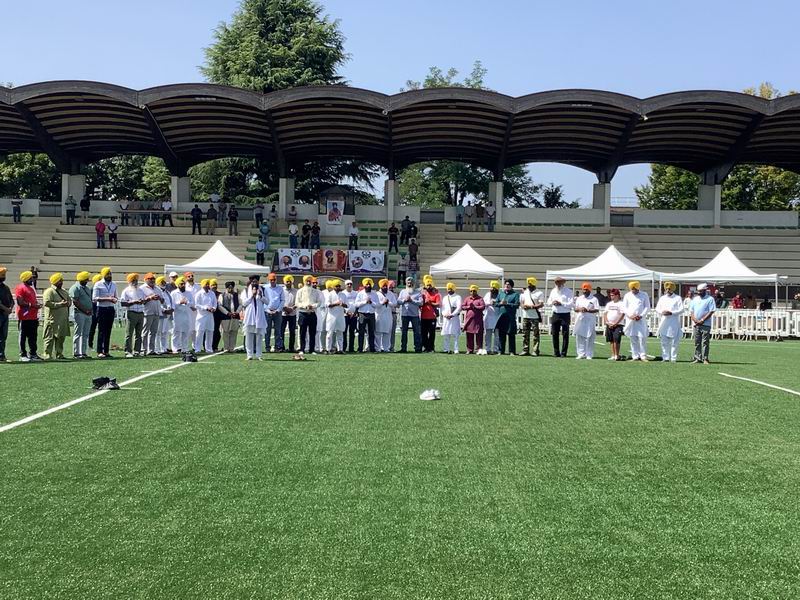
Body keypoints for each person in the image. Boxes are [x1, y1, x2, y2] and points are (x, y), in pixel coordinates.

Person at [41, 273, 71, 360]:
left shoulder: (64, 292)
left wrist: (68, 303)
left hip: (62, 320)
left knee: (61, 337)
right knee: (49, 338)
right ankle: (47, 354)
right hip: (52, 319)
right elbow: (46, 303)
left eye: (62, 281)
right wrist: (59, 304)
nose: (62, 282)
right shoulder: (49, 291)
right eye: (60, 281)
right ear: (55, 281)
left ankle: (59, 354)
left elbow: (69, 301)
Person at [15, 270, 42, 362]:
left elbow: (33, 300)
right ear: (26, 279)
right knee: (23, 336)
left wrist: (37, 304)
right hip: (24, 316)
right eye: (31, 278)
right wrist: (32, 305)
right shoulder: (20, 288)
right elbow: (20, 302)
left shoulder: (31, 288)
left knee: (33, 337)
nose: (33, 280)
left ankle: (33, 354)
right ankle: (22, 354)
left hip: (33, 316)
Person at [92, 267, 118, 358]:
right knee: (101, 331)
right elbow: (94, 298)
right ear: (103, 275)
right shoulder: (98, 284)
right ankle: (100, 351)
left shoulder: (114, 284)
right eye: (107, 274)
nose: (109, 275)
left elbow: (116, 296)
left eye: (110, 274)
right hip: (101, 309)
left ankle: (106, 351)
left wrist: (114, 299)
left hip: (110, 308)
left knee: (108, 331)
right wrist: (108, 299)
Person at [655, 281, 684, 363]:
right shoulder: (662, 298)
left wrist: (672, 313)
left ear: (673, 289)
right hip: (664, 321)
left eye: (669, 289)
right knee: (664, 341)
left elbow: (681, 309)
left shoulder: (677, 298)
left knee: (674, 341)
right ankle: (665, 357)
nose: (668, 290)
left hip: (673, 321)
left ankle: (673, 358)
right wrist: (662, 312)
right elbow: (657, 308)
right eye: (666, 289)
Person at [622, 281, 651, 362]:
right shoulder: (627, 295)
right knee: (633, 337)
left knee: (642, 337)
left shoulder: (644, 294)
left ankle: (643, 356)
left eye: (634, 289)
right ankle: (635, 356)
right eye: (632, 289)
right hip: (631, 319)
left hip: (641, 320)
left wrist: (641, 315)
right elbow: (624, 308)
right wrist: (630, 315)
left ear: (638, 288)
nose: (633, 290)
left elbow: (647, 307)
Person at [240, 275, 266, 360]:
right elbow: (244, 303)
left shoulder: (263, 290)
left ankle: (259, 355)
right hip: (250, 316)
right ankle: (249, 355)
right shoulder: (245, 290)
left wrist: (261, 296)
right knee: (249, 336)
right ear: (250, 282)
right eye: (253, 282)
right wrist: (252, 296)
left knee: (259, 336)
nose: (254, 283)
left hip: (259, 315)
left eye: (256, 281)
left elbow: (267, 301)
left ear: (258, 282)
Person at [120, 272, 146, 358]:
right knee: (129, 333)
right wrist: (134, 302)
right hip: (132, 312)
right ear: (130, 281)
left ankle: (137, 350)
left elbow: (144, 300)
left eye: (136, 280)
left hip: (140, 312)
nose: (135, 282)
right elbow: (123, 303)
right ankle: (128, 351)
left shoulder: (140, 290)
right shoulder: (126, 291)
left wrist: (142, 301)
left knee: (139, 334)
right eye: (133, 280)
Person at [689, 283, 715, 364]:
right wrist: (695, 320)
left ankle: (705, 358)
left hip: (705, 324)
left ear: (705, 290)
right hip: (696, 324)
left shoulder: (710, 299)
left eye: (700, 291)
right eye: (698, 291)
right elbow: (691, 311)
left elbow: (711, 311)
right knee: (697, 342)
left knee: (705, 342)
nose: (699, 293)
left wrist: (702, 320)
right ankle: (697, 358)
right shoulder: (695, 299)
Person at [547, 276, 574, 358]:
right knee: (554, 333)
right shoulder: (553, 291)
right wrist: (553, 302)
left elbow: (571, 304)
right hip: (555, 313)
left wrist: (561, 303)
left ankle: (563, 353)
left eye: (559, 282)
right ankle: (556, 352)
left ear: (563, 282)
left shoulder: (568, 291)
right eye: (556, 282)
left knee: (565, 334)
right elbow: (548, 302)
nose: (557, 284)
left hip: (565, 314)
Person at [69, 271, 93, 359]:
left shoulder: (86, 288)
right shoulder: (75, 288)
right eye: (86, 279)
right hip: (79, 313)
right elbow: (75, 301)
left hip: (88, 313)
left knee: (86, 334)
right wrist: (85, 310)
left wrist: (90, 310)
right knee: (78, 333)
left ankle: (83, 352)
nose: (87, 281)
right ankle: (76, 352)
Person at [295, 274, 322, 354]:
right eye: (307, 281)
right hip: (303, 313)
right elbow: (297, 303)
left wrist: (312, 306)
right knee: (302, 333)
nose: (308, 282)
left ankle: (312, 349)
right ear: (304, 282)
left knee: (312, 333)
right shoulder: (300, 291)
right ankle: (302, 349)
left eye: (310, 281)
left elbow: (319, 302)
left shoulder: (315, 291)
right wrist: (305, 306)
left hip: (312, 313)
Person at [573, 282, 600, 360]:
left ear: (590, 290)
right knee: (579, 336)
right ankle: (581, 354)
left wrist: (587, 310)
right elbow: (575, 309)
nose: (584, 291)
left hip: (590, 320)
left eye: (586, 290)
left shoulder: (594, 299)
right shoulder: (579, 298)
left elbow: (596, 309)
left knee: (590, 337)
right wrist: (580, 309)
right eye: (583, 289)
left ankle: (589, 354)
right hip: (580, 319)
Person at [140, 273, 165, 356]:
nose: (152, 280)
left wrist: (159, 298)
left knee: (153, 332)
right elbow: (141, 301)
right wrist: (150, 298)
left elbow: (163, 300)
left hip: (156, 312)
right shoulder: (142, 289)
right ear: (145, 279)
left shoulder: (157, 288)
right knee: (145, 332)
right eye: (150, 279)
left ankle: (151, 350)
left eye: (153, 279)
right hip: (147, 312)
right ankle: (143, 350)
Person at [170, 277, 196, 353]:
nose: (183, 285)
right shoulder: (174, 293)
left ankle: (185, 348)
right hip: (177, 315)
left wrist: (187, 302)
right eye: (181, 284)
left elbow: (192, 303)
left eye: (184, 284)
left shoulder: (188, 293)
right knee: (176, 332)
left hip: (187, 314)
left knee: (186, 332)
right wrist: (179, 302)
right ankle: (175, 348)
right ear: (177, 285)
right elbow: (172, 305)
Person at [520, 277, 544, 356]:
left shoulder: (539, 293)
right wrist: (523, 306)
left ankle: (535, 350)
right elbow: (522, 302)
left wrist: (531, 307)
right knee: (525, 334)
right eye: (528, 284)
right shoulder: (525, 292)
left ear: (534, 284)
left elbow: (541, 304)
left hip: (535, 316)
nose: (529, 285)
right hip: (525, 315)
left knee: (535, 334)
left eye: (531, 284)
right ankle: (525, 350)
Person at [397, 277, 422, 353]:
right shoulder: (402, 292)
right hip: (405, 315)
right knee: (404, 332)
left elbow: (421, 303)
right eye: (408, 282)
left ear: (413, 283)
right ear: (406, 283)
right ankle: (403, 348)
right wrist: (404, 300)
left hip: (414, 315)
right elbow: (398, 301)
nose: (409, 284)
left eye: (411, 282)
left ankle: (417, 348)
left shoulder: (418, 292)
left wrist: (412, 300)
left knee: (416, 332)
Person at [496, 279, 520, 355]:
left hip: (510, 317)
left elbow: (517, 305)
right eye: (506, 284)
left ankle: (512, 351)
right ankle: (501, 351)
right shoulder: (501, 294)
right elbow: (496, 303)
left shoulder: (515, 294)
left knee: (511, 334)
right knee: (501, 334)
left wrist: (507, 304)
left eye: (508, 284)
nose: (507, 285)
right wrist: (500, 303)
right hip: (501, 317)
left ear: (511, 286)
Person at [355, 278, 379, 352]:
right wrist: (365, 302)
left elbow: (377, 304)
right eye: (367, 284)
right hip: (362, 314)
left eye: (369, 284)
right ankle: (360, 348)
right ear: (364, 285)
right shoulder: (360, 293)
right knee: (361, 332)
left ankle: (372, 348)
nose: (368, 286)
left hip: (371, 314)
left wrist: (371, 302)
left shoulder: (374, 294)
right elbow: (356, 304)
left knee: (371, 332)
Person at [194, 279, 218, 353]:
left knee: (210, 331)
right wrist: (206, 308)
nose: (207, 286)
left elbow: (215, 303)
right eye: (206, 284)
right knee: (200, 332)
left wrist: (213, 308)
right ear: (202, 285)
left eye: (208, 284)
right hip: (201, 316)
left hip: (210, 315)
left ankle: (209, 348)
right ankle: (197, 348)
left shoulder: (212, 293)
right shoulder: (199, 294)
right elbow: (196, 305)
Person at [263, 272, 285, 352]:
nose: (272, 281)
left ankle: (277, 347)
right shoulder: (265, 288)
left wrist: (278, 310)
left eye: (274, 280)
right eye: (271, 280)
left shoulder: (280, 288)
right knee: (267, 330)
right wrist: (268, 310)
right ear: (269, 280)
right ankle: (267, 347)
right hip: (267, 312)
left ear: (276, 280)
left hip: (277, 312)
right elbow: (263, 300)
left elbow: (282, 300)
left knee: (278, 330)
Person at [325, 279, 348, 353]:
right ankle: (328, 349)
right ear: (333, 287)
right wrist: (336, 304)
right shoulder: (330, 294)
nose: (338, 287)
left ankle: (340, 349)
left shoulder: (343, 295)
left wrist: (343, 304)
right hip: (331, 316)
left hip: (340, 316)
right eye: (336, 286)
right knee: (329, 333)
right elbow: (327, 305)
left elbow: (347, 305)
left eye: (339, 286)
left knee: (340, 332)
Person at [461, 285, 485, 354]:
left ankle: (479, 349)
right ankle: (470, 350)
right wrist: (469, 307)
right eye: (471, 291)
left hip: (478, 320)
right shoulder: (467, 299)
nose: (472, 292)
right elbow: (462, 306)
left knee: (479, 335)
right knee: (469, 335)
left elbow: (483, 306)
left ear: (476, 291)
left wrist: (475, 307)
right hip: (469, 320)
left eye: (474, 291)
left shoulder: (480, 299)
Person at [216, 281, 239, 353]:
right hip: (225, 316)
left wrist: (237, 312)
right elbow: (220, 306)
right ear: (226, 288)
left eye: (232, 288)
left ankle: (232, 348)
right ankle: (226, 348)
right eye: (229, 288)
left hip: (235, 316)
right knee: (225, 332)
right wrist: (227, 313)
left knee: (234, 332)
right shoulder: (222, 295)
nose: (231, 289)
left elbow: (241, 304)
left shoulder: (237, 295)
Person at [375, 279, 397, 352]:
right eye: (383, 286)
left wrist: (388, 302)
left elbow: (395, 303)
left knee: (387, 332)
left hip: (388, 315)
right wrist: (383, 302)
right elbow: (375, 305)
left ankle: (386, 348)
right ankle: (378, 348)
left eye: (386, 286)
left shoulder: (391, 294)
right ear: (380, 286)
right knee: (378, 332)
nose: (385, 287)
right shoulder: (377, 294)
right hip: (379, 315)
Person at [440, 282, 462, 354]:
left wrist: (452, 315)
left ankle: (456, 349)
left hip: (454, 318)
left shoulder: (458, 297)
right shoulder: (445, 298)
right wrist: (445, 315)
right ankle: (446, 349)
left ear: (454, 289)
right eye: (448, 289)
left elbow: (459, 308)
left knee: (455, 334)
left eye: (450, 289)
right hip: (446, 318)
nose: (449, 290)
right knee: (446, 334)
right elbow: (442, 308)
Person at [420, 275, 441, 353]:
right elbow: (419, 303)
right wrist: (423, 303)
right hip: (423, 316)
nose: (428, 287)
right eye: (427, 285)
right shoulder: (423, 294)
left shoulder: (436, 294)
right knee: (424, 333)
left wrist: (430, 303)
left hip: (432, 317)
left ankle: (431, 348)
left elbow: (438, 304)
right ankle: (425, 347)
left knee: (432, 333)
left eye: (430, 285)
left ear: (432, 285)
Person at [604, 289, 625, 361]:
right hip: (609, 324)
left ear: (617, 295)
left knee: (616, 340)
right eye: (610, 295)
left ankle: (617, 355)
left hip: (618, 325)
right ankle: (613, 355)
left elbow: (622, 314)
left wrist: (616, 323)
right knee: (611, 340)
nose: (611, 297)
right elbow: (605, 313)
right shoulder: (609, 304)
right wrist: (607, 322)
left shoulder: (621, 304)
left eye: (613, 295)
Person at [155, 275, 174, 354]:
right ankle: (157, 349)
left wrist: (171, 309)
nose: (164, 283)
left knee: (165, 332)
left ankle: (164, 348)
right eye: (162, 282)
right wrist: (164, 310)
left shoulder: (167, 292)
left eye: (164, 282)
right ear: (158, 283)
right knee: (158, 332)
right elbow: (158, 303)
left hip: (167, 315)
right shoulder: (157, 291)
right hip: (160, 314)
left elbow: (170, 301)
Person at [483, 280, 501, 354]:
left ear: (497, 288)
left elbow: (502, 303)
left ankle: (496, 349)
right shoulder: (487, 294)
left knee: (497, 334)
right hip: (488, 316)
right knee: (487, 334)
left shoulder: (500, 294)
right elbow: (483, 303)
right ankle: (488, 349)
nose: (492, 289)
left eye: (494, 288)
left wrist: (496, 303)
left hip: (498, 316)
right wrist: (489, 303)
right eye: (491, 287)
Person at [0, 266, 13, 362]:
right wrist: (6, 309)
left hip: (5, 315)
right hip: (2, 313)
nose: (3, 276)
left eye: (4, 275)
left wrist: (10, 308)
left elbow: (11, 300)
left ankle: (1, 355)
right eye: (2, 275)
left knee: (3, 336)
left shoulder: (6, 287)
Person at [281, 275, 297, 352]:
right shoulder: (281, 290)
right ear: (284, 282)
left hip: (292, 313)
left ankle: (291, 347)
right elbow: (279, 301)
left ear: (292, 282)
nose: (288, 283)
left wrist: (291, 309)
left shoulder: (296, 291)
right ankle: (281, 347)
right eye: (287, 281)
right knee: (281, 331)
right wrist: (284, 308)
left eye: (290, 281)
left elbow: (297, 302)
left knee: (292, 331)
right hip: (283, 313)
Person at [342, 280, 359, 352]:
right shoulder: (342, 293)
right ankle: (343, 347)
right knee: (344, 332)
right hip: (345, 315)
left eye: (350, 284)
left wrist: (355, 313)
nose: (349, 285)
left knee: (352, 332)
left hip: (354, 315)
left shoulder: (356, 293)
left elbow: (357, 304)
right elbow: (342, 304)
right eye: (348, 284)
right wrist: (347, 312)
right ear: (345, 285)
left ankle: (351, 348)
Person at [315, 278, 328, 353]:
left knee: (319, 331)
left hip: (320, 313)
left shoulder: (321, 293)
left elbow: (323, 304)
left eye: (316, 283)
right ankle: (308, 347)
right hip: (310, 312)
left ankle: (319, 347)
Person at [388, 280, 399, 352]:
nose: (391, 288)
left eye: (392, 286)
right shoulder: (384, 294)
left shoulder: (395, 294)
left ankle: (391, 347)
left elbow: (397, 305)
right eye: (390, 286)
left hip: (393, 313)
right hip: (385, 313)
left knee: (392, 332)